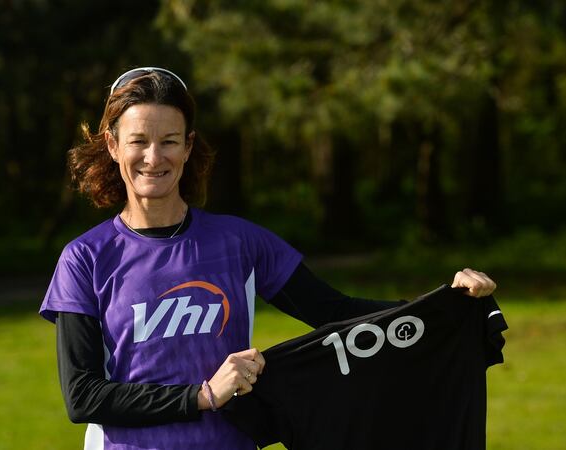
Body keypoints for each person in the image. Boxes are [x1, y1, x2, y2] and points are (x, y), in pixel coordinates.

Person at [38, 67, 497, 450]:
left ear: (189, 146)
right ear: (114, 145)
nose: (153, 157)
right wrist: (200, 395)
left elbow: (334, 313)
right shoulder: (85, 259)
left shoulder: (239, 242)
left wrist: (443, 304)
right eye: (138, 141)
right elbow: (83, 397)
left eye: (170, 141)